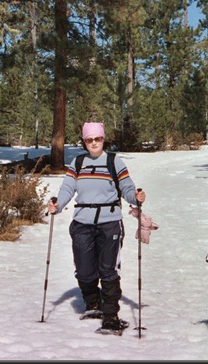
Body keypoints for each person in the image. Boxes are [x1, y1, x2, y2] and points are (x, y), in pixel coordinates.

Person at [47, 122, 146, 332]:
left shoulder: (114, 161)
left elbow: (127, 186)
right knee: (84, 270)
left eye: (98, 139)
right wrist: (58, 204)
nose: (94, 143)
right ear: (84, 141)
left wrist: (135, 198)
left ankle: (110, 315)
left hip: (110, 222)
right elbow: (67, 187)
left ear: (103, 139)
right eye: (89, 139)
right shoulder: (78, 162)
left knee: (108, 270)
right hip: (82, 221)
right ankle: (92, 303)